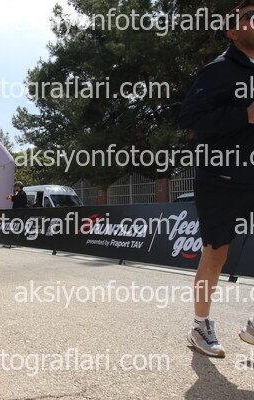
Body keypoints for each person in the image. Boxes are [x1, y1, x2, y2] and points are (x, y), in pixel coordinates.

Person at [178, 1, 254, 358]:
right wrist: (244, 115)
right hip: (222, 177)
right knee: (216, 253)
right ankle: (200, 326)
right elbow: (190, 117)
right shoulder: (219, 70)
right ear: (233, 32)